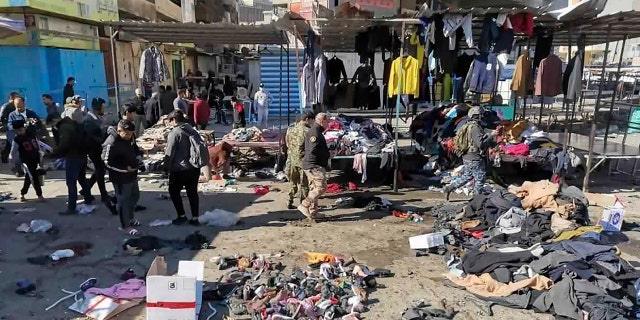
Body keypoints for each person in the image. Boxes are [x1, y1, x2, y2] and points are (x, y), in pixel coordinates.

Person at [443, 106, 498, 200]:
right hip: (474, 157)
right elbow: (480, 144)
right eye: (481, 115)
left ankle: (449, 188)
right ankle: (476, 201)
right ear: (477, 115)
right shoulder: (475, 127)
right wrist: (491, 135)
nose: (483, 116)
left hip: (468, 156)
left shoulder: (469, 126)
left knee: (467, 176)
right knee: (480, 179)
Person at [103, 120, 142, 235]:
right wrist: (125, 169)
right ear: (119, 131)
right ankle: (126, 226)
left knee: (134, 196)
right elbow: (106, 162)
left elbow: (134, 148)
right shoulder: (111, 142)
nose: (129, 136)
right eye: (127, 134)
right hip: (120, 176)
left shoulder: (130, 137)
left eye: (131, 134)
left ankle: (130, 218)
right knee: (123, 201)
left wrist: (139, 156)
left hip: (132, 174)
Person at [164, 110, 202, 225]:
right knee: (192, 193)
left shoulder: (175, 133)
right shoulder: (192, 130)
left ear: (174, 120)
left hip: (179, 169)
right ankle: (195, 218)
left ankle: (182, 216)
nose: (170, 124)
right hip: (194, 168)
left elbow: (169, 153)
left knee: (174, 191)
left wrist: (166, 168)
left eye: (170, 121)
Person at [55, 104, 94, 215]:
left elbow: (64, 144)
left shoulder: (68, 128)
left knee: (71, 182)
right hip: (82, 156)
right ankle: (88, 198)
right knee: (82, 179)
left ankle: (71, 207)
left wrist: (54, 153)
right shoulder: (82, 126)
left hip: (73, 157)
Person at [85, 97, 118, 215]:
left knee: (100, 170)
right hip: (94, 150)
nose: (104, 109)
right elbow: (92, 137)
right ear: (97, 108)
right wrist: (104, 141)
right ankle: (103, 195)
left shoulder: (96, 118)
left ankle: (86, 189)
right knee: (100, 171)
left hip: (99, 149)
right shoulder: (89, 120)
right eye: (102, 107)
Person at [298, 112, 330, 220]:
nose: (328, 124)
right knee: (321, 187)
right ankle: (305, 204)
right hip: (314, 165)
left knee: (313, 188)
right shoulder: (315, 132)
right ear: (322, 121)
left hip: (313, 164)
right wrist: (327, 154)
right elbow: (313, 149)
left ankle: (313, 212)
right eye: (327, 121)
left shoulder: (316, 131)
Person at [9, 119, 44, 202]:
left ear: (24, 127)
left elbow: (37, 144)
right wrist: (12, 166)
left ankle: (22, 193)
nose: (19, 132)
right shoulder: (17, 140)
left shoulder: (31, 134)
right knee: (34, 177)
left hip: (36, 158)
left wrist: (41, 155)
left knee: (29, 177)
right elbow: (12, 153)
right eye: (16, 131)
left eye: (20, 130)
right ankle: (39, 195)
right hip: (26, 161)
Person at [285, 111, 314, 209]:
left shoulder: (291, 130)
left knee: (292, 182)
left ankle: (289, 201)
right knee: (304, 184)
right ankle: (303, 205)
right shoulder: (308, 131)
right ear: (307, 119)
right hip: (303, 161)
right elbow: (312, 147)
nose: (312, 122)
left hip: (292, 160)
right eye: (311, 120)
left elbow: (287, 144)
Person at [8, 96, 42, 176]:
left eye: (20, 105)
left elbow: (37, 122)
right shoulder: (12, 114)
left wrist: (32, 123)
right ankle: (18, 170)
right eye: (16, 106)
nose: (18, 107)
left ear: (24, 103)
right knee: (16, 154)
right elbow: (9, 125)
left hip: (30, 136)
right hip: (19, 137)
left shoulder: (31, 113)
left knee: (35, 152)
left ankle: (37, 168)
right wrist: (18, 126)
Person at [0, 92, 21, 163]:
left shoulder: (16, 105)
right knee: (12, 142)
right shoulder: (6, 106)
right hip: (10, 127)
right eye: (16, 97)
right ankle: (5, 156)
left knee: (11, 143)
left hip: (16, 126)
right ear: (11, 98)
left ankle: (4, 156)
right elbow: (2, 117)